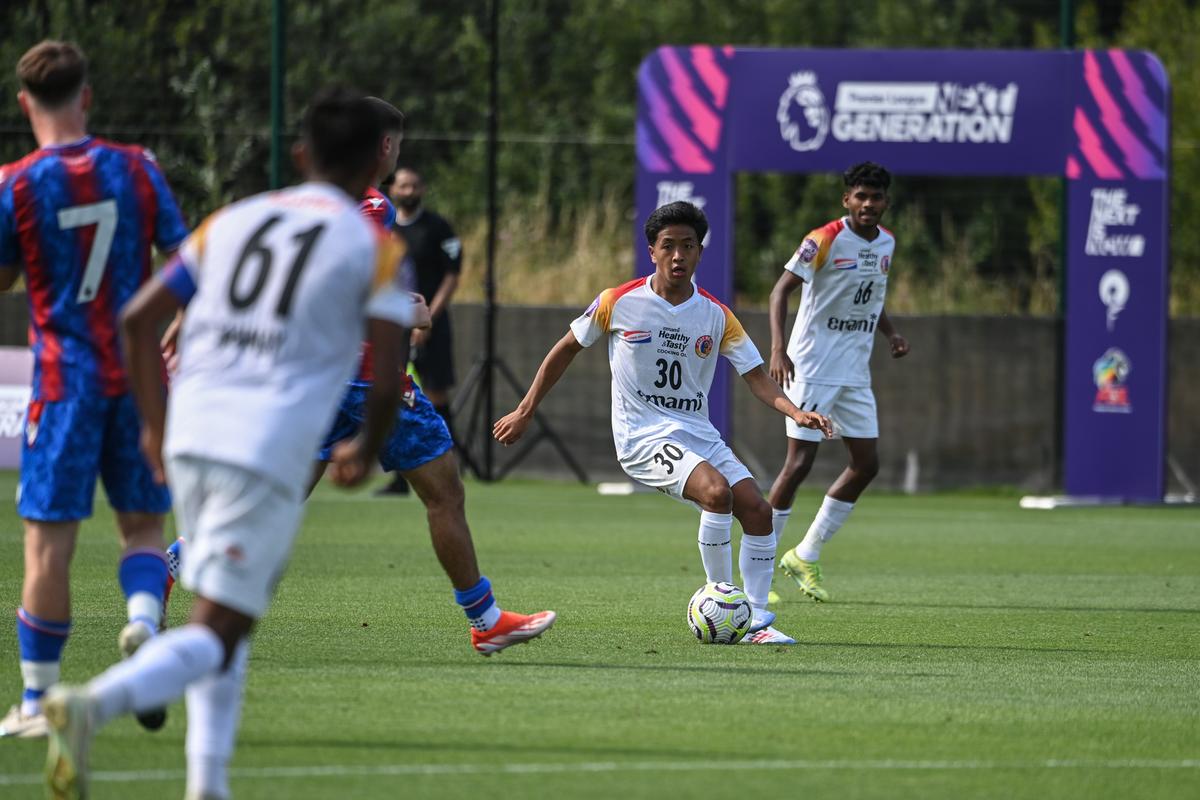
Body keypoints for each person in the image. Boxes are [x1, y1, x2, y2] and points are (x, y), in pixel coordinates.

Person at [39, 88, 425, 800]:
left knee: (222, 611)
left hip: (190, 427)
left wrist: (154, 426)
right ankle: (91, 706)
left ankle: (206, 786)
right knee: (220, 626)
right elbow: (386, 369)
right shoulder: (374, 246)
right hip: (263, 444)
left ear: (302, 154)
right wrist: (365, 450)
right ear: (380, 157)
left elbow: (138, 318)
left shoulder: (233, 220)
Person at [165, 98, 555, 659]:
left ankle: (170, 563)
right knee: (445, 492)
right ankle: (486, 619)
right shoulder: (371, 210)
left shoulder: (266, 211)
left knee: (275, 502)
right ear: (382, 149)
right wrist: (408, 311)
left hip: (309, 382)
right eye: (393, 144)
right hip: (369, 378)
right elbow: (351, 286)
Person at [494, 201, 832, 645]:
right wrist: (525, 409)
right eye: (668, 246)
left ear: (699, 253)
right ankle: (722, 603)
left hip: (697, 432)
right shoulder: (618, 302)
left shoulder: (715, 314)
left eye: (687, 246)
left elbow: (755, 378)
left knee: (757, 508)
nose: (678, 255)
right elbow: (566, 348)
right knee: (716, 494)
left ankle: (758, 620)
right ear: (651, 250)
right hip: (641, 436)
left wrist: (794, 410)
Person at [0, 40, 187, 739]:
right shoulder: (137, 167)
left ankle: (36, 701)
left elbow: (3, 279)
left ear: (25, 105)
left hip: (63, 383)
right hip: (138, 379)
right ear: (87, 98)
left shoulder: (16, 183)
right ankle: (142, 624)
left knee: (47, 546)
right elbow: (184, 256)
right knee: (142, 527)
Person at [766, 162, 909, 604]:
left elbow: (871, 297)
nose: (868, 204)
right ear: (847, 200)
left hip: (854, 373)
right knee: (798, 465)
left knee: (867, 464)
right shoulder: (822, 239)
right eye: (860, 197)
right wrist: (777, 348)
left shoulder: (886, 243)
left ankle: (805, 554)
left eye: (876, 197)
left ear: (886, 202)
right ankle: (757, 570)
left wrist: (890, 334)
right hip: (810, 366)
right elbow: (780, 290)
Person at [376, 165, 462, 495]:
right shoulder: (383, 228)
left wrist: (427, 319)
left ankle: (450, 466)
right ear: (393, 189)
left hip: (432, 325)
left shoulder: (437, 227)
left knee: (436, 392)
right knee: (395, 393)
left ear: (422, 189)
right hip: (392, 327)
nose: (407, 191)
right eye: (402, 186)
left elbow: (451, 276)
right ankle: (400, 477)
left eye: (414, 186)